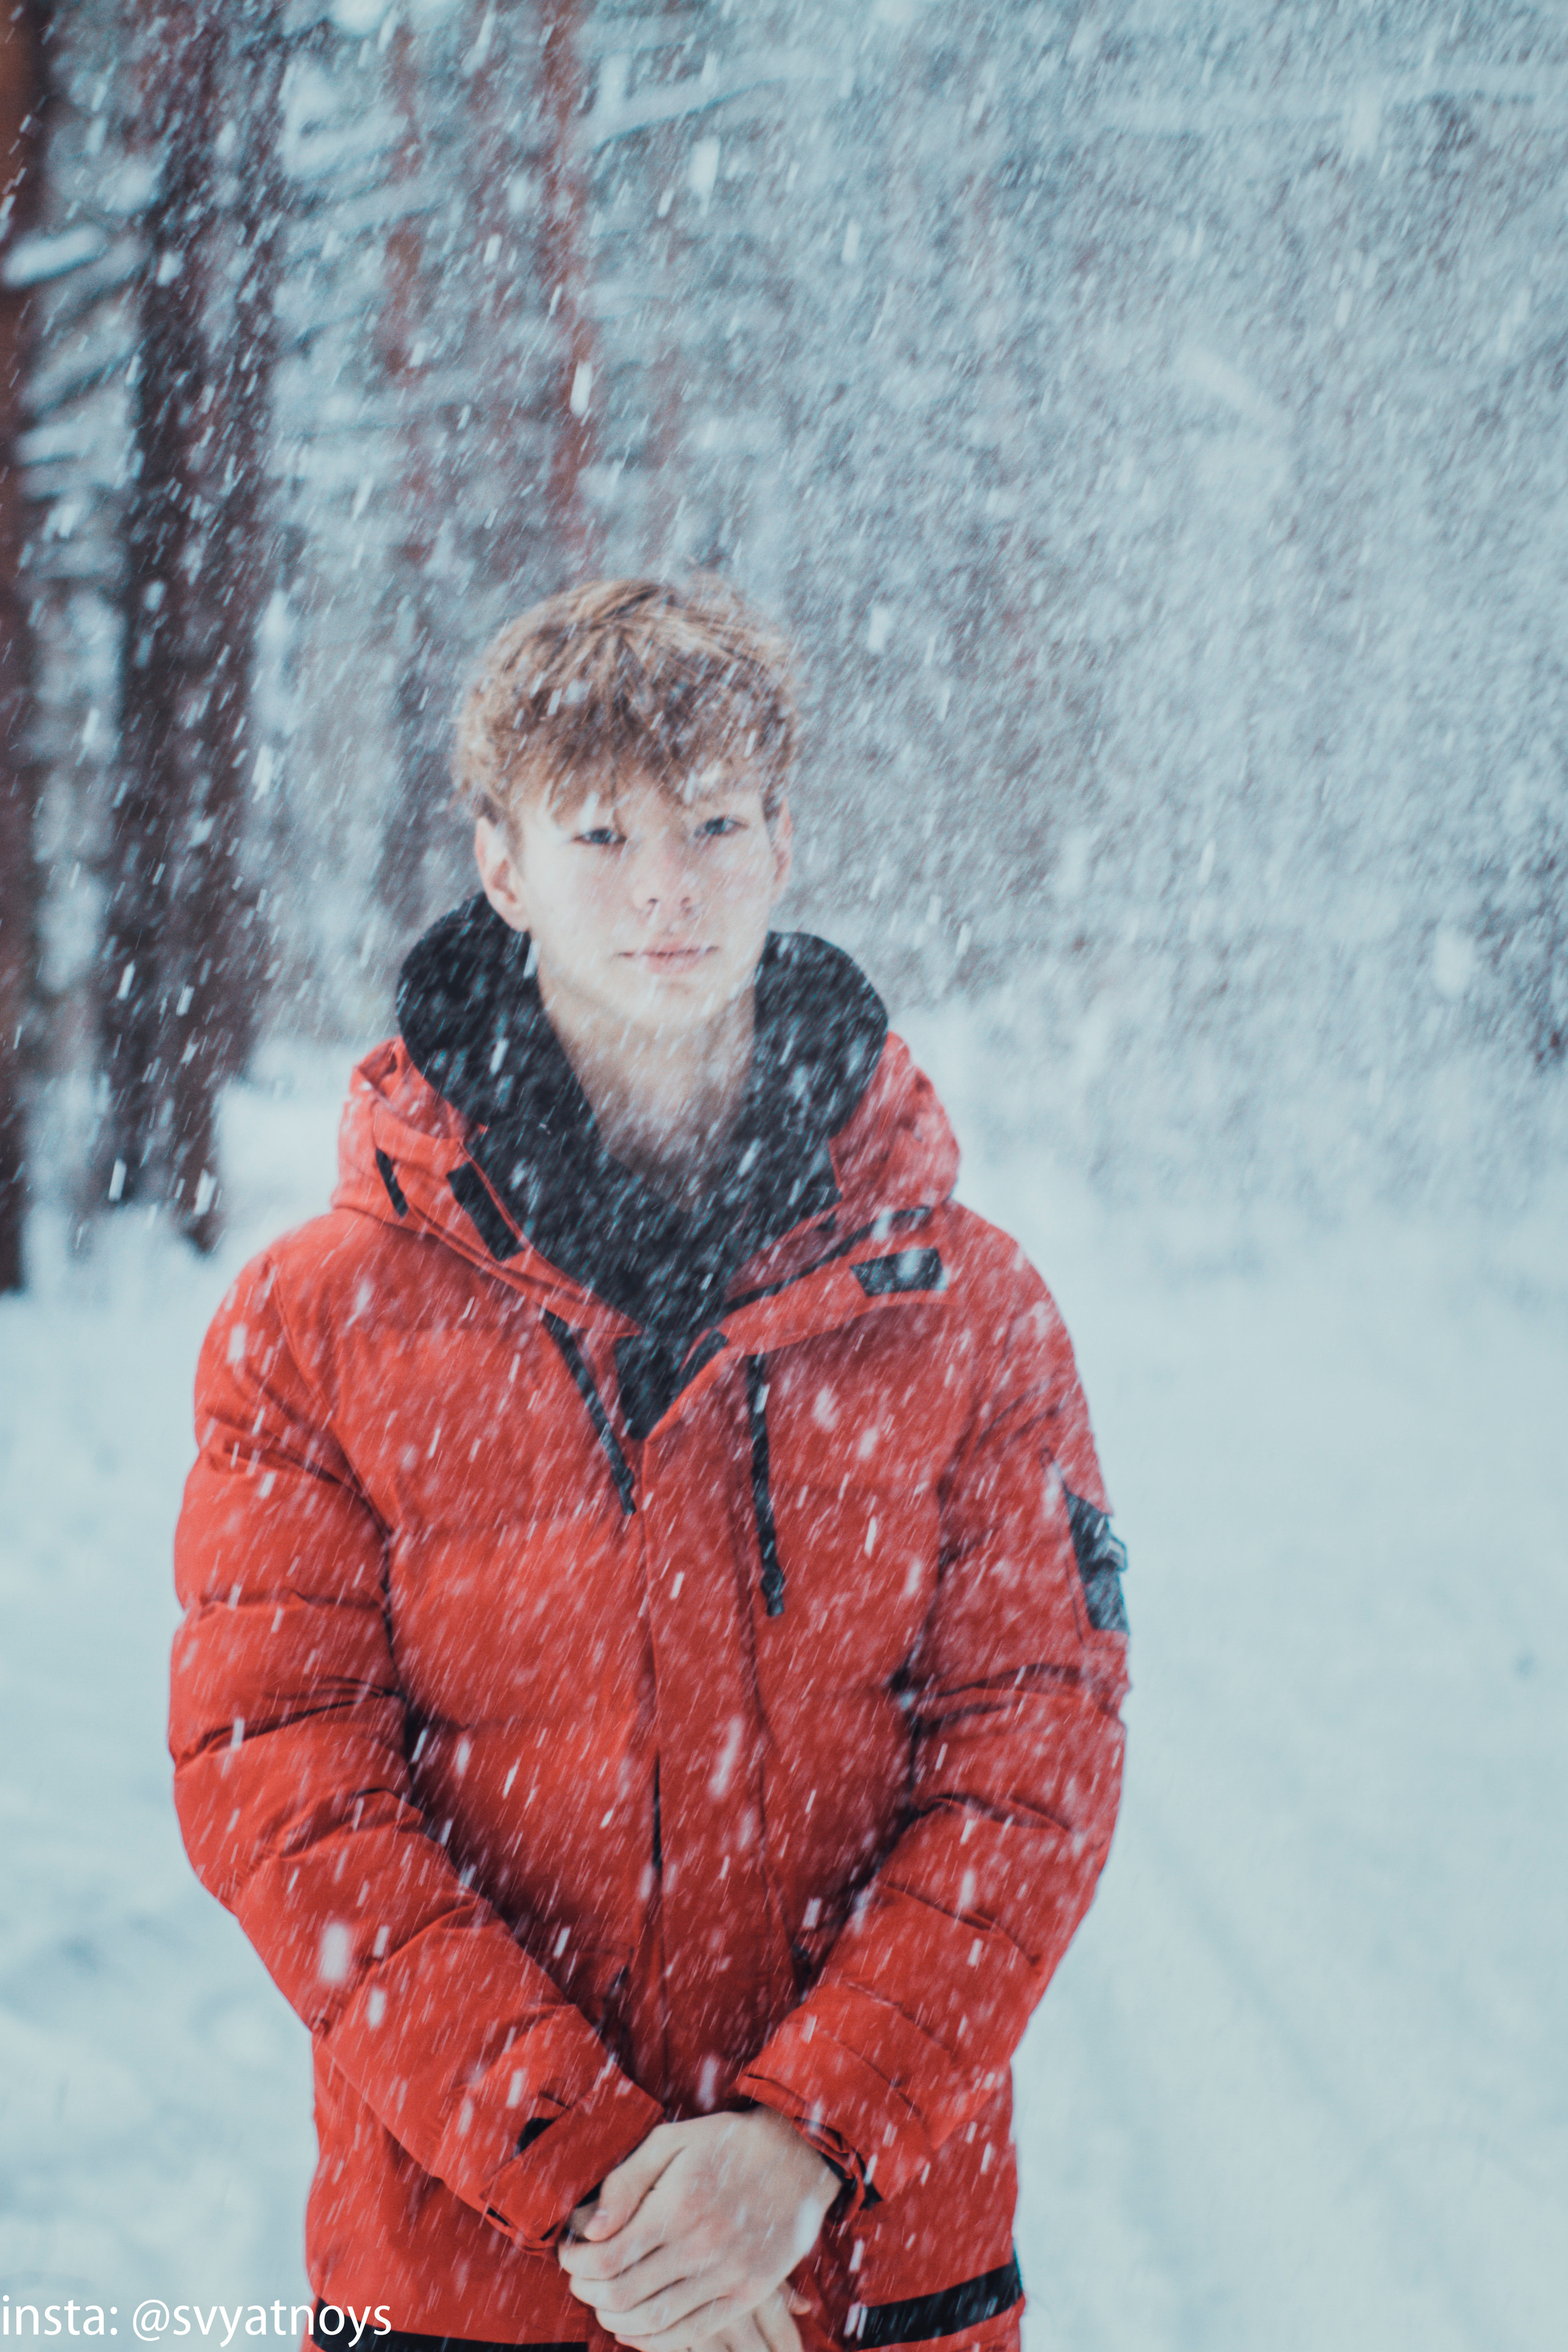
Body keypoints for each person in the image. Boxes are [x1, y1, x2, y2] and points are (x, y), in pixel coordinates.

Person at [169, 577, 1130, 2352]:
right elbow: (281, 1781)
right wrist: (598, 2175)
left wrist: (802, 2143)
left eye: (711, 822)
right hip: (476, 2279)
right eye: (603, 831)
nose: (668, 885)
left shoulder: (970, 1309)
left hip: (864, 2281)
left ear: (785, 842)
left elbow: (1034, 1762)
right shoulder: (316, 1321)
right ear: (506, 866)